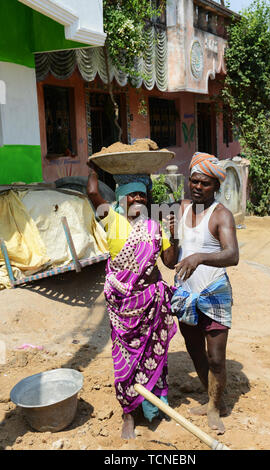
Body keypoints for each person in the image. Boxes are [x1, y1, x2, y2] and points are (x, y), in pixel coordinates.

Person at [87, 162, 178, 439]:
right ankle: (128, 413)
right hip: (124, 310)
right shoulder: (111, 220)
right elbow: (92, 190)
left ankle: (152, 408)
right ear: (121, 198)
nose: (138, 199)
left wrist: (173, 236)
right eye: (132, 195)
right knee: (125, 362)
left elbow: (170, 262)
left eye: (142, 195)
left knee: (154, 358)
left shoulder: (154, 226)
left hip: (152, 306)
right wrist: (95, 164)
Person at [171, 152, 239, 435]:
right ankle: (209, 398)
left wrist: (199, 257)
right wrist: (170, 240)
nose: (198, 187)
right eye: (194, 181)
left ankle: (215, 406)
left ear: (216, 186)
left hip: (213, 292)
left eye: (205, 183)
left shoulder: (221, 215)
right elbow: (170, 259)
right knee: (194, 349)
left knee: (216, 357)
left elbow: (232, 255)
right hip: (186, 293)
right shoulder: (179, 209)